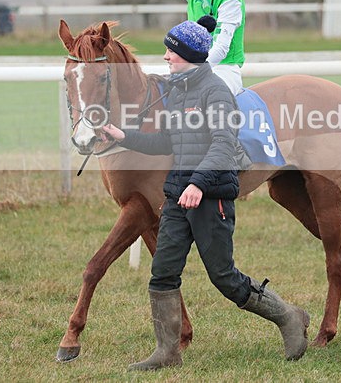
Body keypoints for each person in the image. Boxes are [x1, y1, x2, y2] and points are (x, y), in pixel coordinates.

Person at [101, 20, 309, 371]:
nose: (165, 57)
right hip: (178, 197)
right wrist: (123, 136)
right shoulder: (177, 91)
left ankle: (288, 316)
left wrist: (198, 183)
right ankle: (167, 352)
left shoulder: (215, 92)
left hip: (211, 198)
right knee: (163, 273)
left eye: (171, 51)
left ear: (188, 56)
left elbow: (224, 145)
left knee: (224, 277)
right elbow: (166, 141)